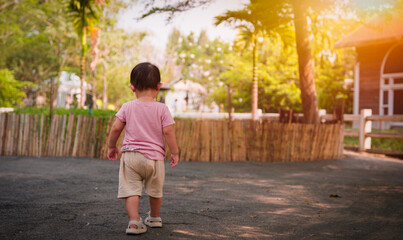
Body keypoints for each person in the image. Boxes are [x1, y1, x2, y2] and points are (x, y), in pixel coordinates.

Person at [107, 62, 179, 235]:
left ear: (132, 88)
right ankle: (154, 218)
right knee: (155, 189)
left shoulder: (127, 107)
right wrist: (175, 152)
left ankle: (133, 222)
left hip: (131, 156)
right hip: (154, 158)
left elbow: (116, 128)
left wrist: (111, 146)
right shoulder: (162, 109)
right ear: (159, 87)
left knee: (131, 189)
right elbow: (168, 131)